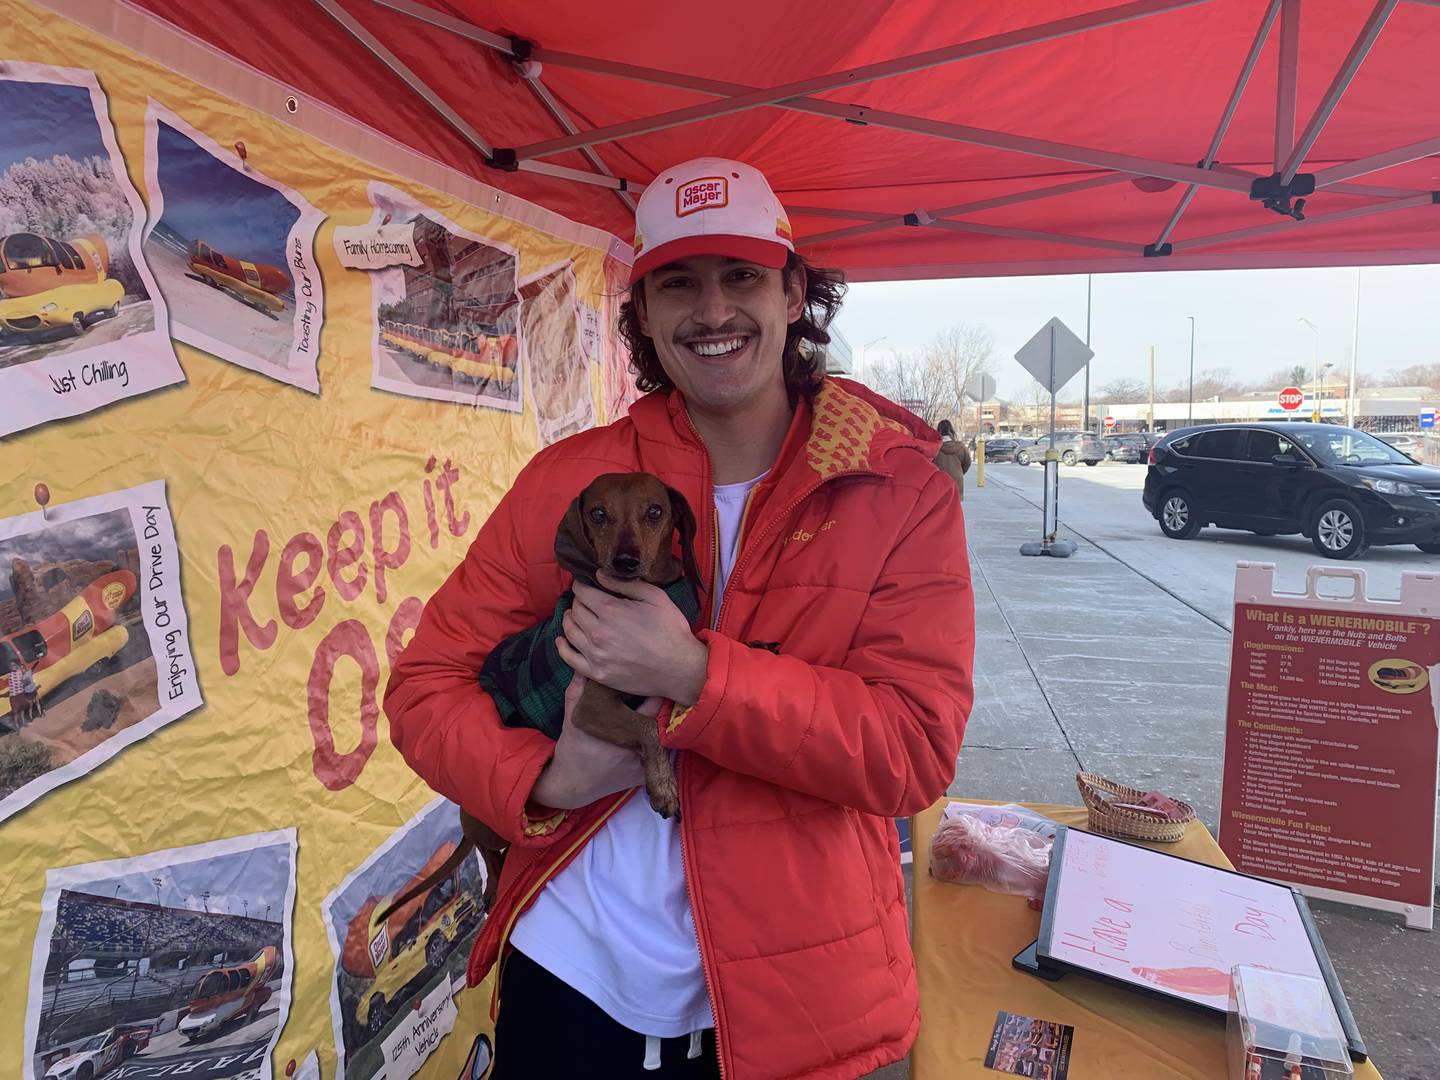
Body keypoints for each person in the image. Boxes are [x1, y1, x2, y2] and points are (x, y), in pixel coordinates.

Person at [386, 157, 974, 1079]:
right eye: (678, 282)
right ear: (644, 311)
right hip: (572, 977)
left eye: (741, 276)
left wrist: (700, 676)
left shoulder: (898, 491)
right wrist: (542, 776)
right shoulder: (568, 482)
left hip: (801, 1002)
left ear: (791, 292)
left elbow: (914, 749)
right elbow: (423, 690)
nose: (711, 311)